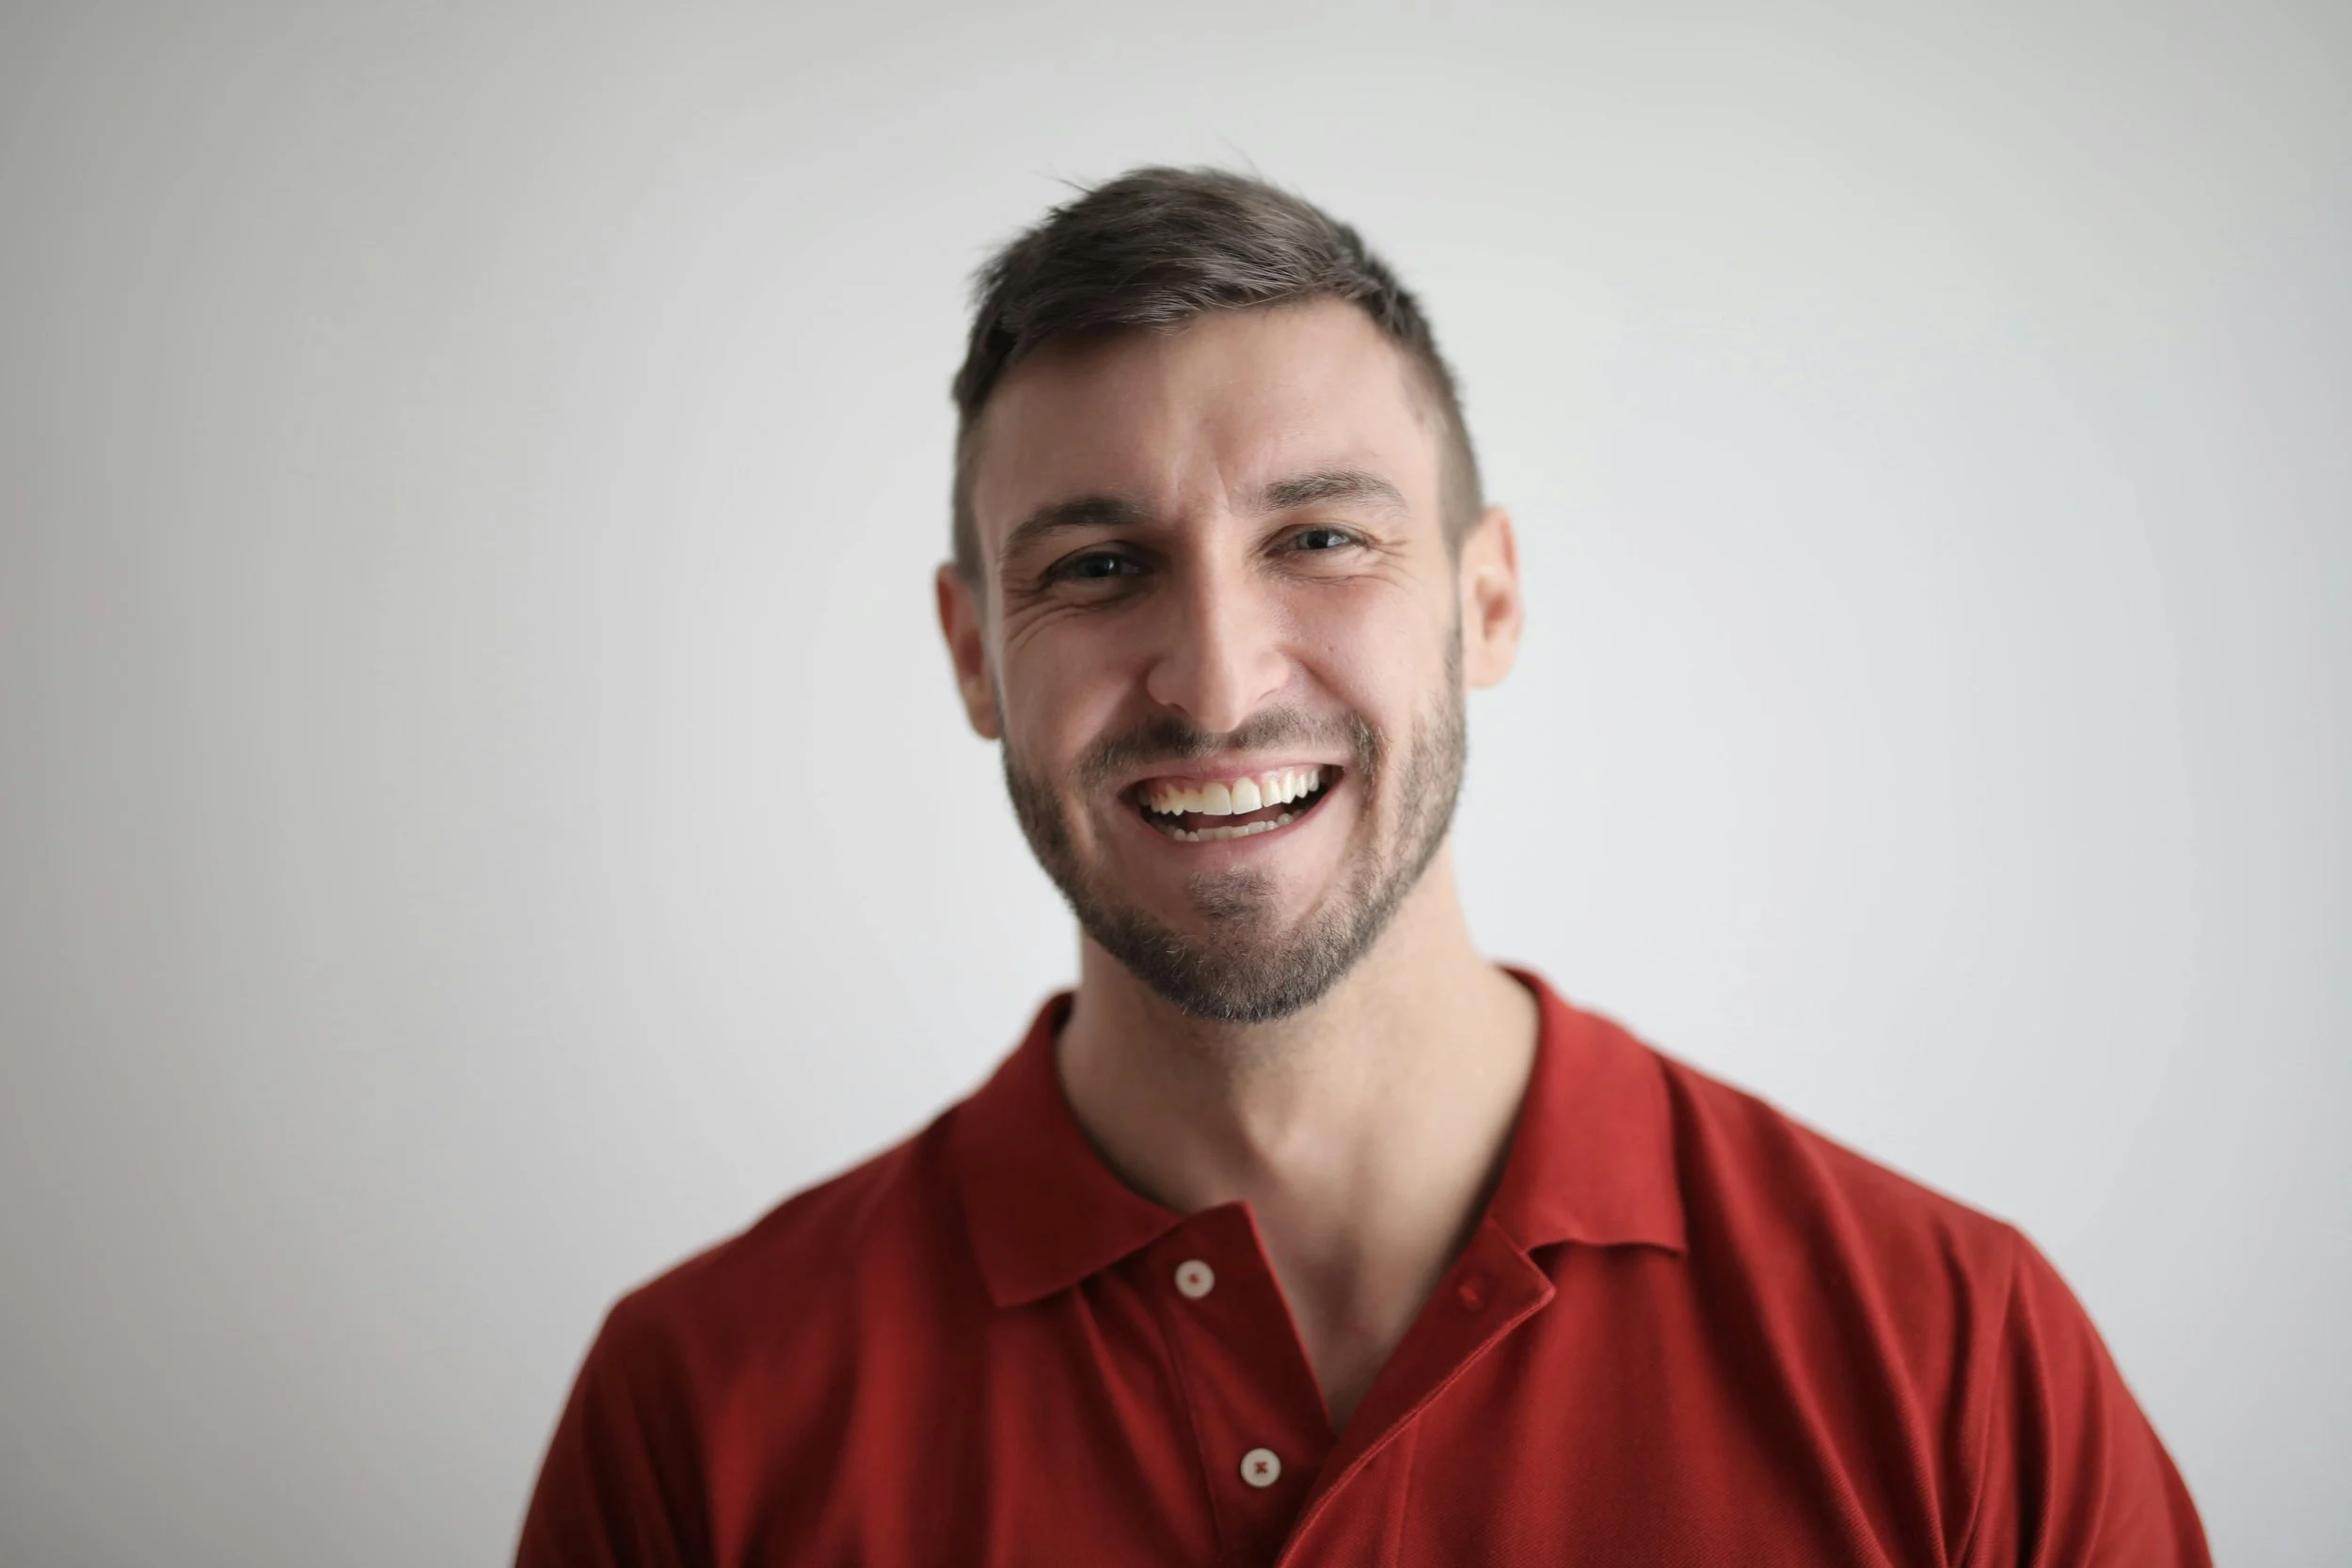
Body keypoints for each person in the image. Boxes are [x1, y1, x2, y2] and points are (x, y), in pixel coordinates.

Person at [516, 166, 2207, 1566]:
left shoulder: (1956, 1364)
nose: (1220, 677)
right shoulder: (701, 1418)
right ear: (974, 656)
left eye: (1318, 539)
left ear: (1486, 600)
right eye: (1099, 566)